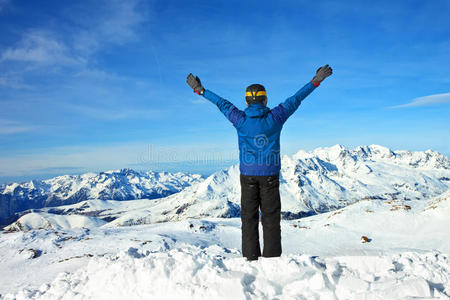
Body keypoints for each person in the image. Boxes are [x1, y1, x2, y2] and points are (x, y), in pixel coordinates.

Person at [186, 65, 333, 261]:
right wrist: (315, 81)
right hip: (270, 176)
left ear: (247, 101)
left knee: (248, 219)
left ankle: (250, 258)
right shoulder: (276, 117)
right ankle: (272, 259)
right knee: (271, 218)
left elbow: (221, 103)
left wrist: (200, 90)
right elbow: (296, 99)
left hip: (247, 176)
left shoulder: (240, 119)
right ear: (265, 100)